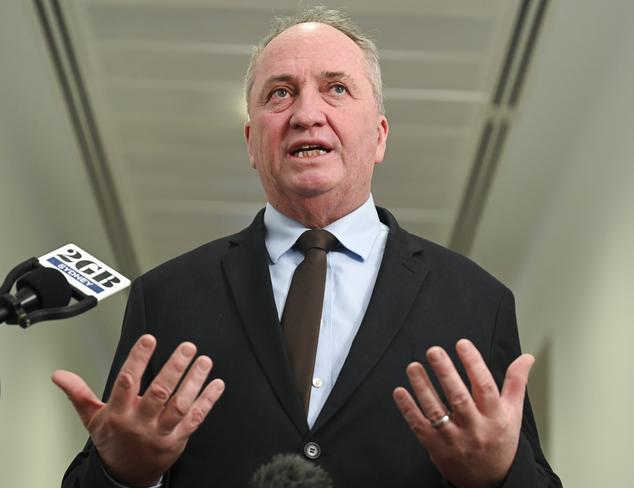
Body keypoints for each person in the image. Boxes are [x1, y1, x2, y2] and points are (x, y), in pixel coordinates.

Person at [54, 7, 562, 488]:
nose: (306, 114)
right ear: (252, 142)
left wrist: (498, 475)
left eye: (336, 88)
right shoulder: (165, 298)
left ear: (380, 136)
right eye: (280, 94)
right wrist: (126, 474)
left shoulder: (477, 302)